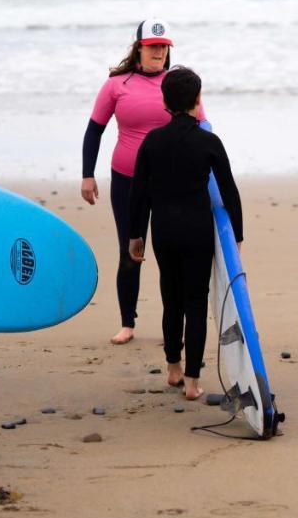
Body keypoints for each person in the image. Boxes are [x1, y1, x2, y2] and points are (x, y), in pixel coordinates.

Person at [81, 20, 205, 345]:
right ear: (139, 47)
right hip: (126, 182)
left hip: (169, 183)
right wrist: (87, 175)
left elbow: (201, 129)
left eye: (164, 46)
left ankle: (171, 327)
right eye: (153, 46)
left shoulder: (178, 83)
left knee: (170, 255)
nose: (159, 52)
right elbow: (95, 130)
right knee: (130, 251)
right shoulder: (116, 84)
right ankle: (127, 323)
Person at [126, 67, 241, 401]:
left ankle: (173, 368)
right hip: (196, 230)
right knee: (195, 300)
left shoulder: (151, 141)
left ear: (164, 101)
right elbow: (229, 191)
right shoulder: (208, 141)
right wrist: (238, 236)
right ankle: (192, 382)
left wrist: (136, 234)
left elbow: (139, 193)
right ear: (197, 99)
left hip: (163, 230)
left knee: (170, 298)